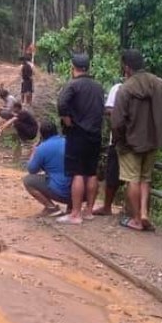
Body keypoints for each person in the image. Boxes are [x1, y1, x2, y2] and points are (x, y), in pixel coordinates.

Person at [111, 50, 162, 232]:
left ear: (127, 67)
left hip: (131, 142)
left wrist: (120, 140)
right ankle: (144, 213)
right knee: (146, 178)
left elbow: (117, 121)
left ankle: (136, 219)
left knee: (133, 180)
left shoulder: (126, 88)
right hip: (154, 141)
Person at [56, 53, 105, 225]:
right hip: (95, 134)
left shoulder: (73, 85)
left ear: (73, 68)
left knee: (77, 172)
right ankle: (89, 211)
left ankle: (75, 214)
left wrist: (67, 120)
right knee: (91, 172)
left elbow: (62, 103)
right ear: (88, 68)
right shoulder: (98, 87)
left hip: (78, 133)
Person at [24, 118, 71, 217]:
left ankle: (51, 208)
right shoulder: (69, 142)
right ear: (56, 130)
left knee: (28, 180)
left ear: (41, 134)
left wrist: (34, 152)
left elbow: (31, 170)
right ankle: (71, 208)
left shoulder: (42, 148)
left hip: (62, 193)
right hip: (79, 193)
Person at [94, 80, 124, 216]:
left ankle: (107, 207)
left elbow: (109, 111)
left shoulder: (118, 88)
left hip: (118, 139)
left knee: (113, 175)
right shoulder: (150, 86)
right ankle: (136, 211)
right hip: (142, 139)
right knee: (138, 178)